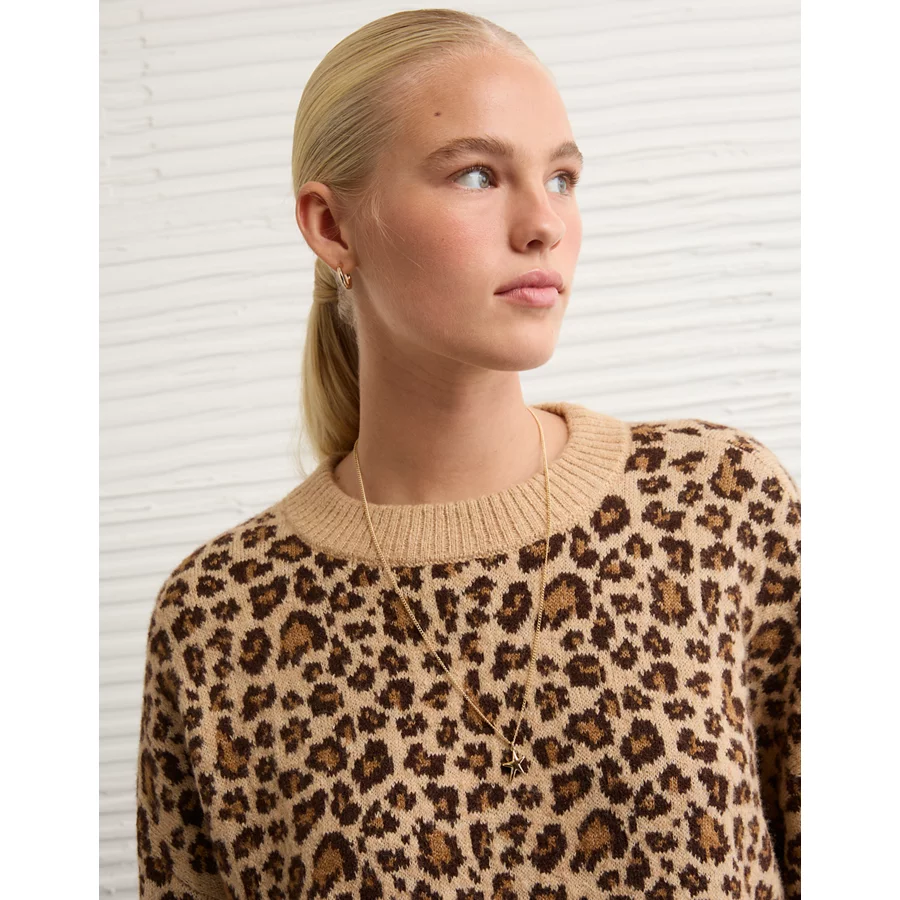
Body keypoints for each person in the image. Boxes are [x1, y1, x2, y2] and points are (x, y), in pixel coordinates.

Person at [136, 9, 800, 900]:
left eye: (562, 178)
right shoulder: (222, 620)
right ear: (332, 226)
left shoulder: (716, 506)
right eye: (478, 175)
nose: (543, 224)